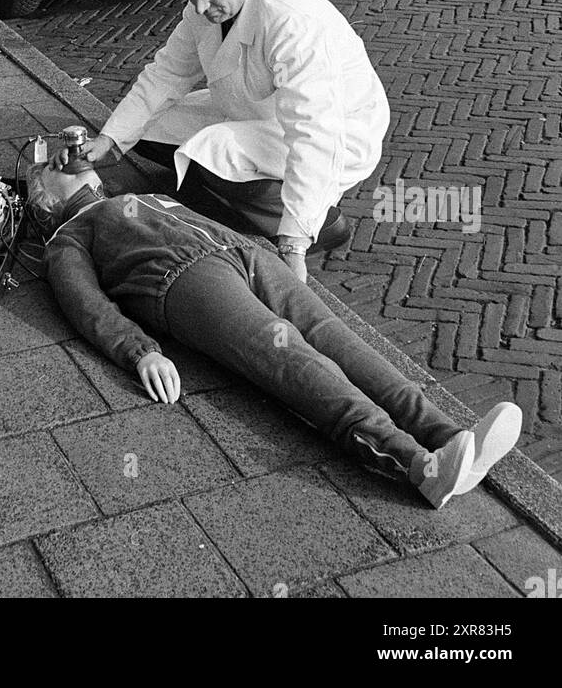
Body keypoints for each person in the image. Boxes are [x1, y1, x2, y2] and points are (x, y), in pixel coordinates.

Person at [32, 162, 522, 510]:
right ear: (44, 198)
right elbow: (86, 304)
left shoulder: (129, 194)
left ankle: (451, 436)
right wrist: (139, 352)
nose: (61, 156)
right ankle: (416, 464)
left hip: (245, 255)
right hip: (182, 279)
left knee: (337, 338)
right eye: (51, 164)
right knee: (289, 356)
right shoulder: (69, 237)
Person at [55, 0, 390, 283]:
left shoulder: (294, 22)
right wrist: (109, 140)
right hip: (254, 110)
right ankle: (235, 186)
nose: (198, 7)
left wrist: (294, 244)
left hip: (340, 131)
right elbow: (166, 75)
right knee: (151, 129)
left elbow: (315, 133)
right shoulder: (206, 6)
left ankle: (322, 223)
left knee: (211, 149)